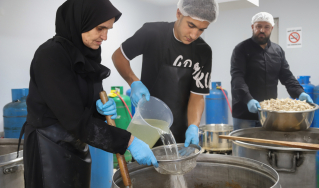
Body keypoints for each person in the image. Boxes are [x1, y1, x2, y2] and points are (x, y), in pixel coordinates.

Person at [21, 0, 157, 187]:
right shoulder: (51, 55)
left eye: (108, 29)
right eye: (100, 28)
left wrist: (96, 109)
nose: (105, 36)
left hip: (77, 144)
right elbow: (73, 118)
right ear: (81, 21)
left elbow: (82, 102)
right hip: (49, 148)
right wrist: (128, 141)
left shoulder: (87, 53)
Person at [112, 0, 219, 147]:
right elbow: (119, 56)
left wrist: (193, 126)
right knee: (143, 167)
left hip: (180, 131)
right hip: (146, 124)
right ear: (178, 13)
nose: (194, 35)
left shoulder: (203, 51)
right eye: (191, 25)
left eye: (201, 29)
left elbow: (197, 96)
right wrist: (134, 81)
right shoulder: (152, 32)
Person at [230, 12, 314, 130]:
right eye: (258, 26)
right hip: (245, 113)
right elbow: (237, 78)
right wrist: (248, 99)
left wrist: (300, 92)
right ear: (252, 27)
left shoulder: (277, 50)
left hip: (270, 114)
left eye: (266, 27)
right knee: (245, 147)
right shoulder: (241, 49)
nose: (262, 30)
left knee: (268, 146)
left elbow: (286, 76)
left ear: (272, 28)